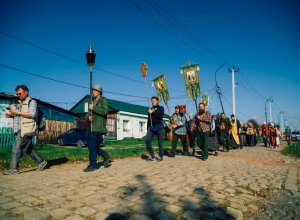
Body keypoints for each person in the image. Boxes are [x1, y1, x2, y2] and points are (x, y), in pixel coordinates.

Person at [3, 85, 47, 175]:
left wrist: (17, 112)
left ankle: (13, 169)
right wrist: (11, 115)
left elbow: (32, 114)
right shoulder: (21, 103)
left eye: (20, 93)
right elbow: (21, 116)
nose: (18, 95)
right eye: (17, 93)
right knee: (29, 148)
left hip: (27, 129)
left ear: (26, 92)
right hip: (21, 129)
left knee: (16, 148)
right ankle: (41, 162)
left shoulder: (32, 102)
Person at [83, 85, 110, 172]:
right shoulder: (92, 102)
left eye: (94, 91)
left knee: (92, 145)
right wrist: (88, 118)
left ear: (99, 92)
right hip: (91, 126)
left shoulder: (103, 100)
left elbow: (105, 111)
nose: (93, 92)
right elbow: (87, 114)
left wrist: (93, 108)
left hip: (98, 127)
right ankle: (105, 155)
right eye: (92, 91)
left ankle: (93, 165)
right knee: (91, 146)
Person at [145, 96, 165, 161]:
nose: (152, 102)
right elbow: (149, 119)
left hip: (159, 127)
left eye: (153, 100)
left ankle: (161, 156)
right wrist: (147, 127)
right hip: (151, 127)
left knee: (160, 142)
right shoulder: (150, 109)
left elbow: (160, 117)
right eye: (152, 101)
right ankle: (152, 154)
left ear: (157, 101)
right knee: (147, 140)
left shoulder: (160, 108)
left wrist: (153, 112)